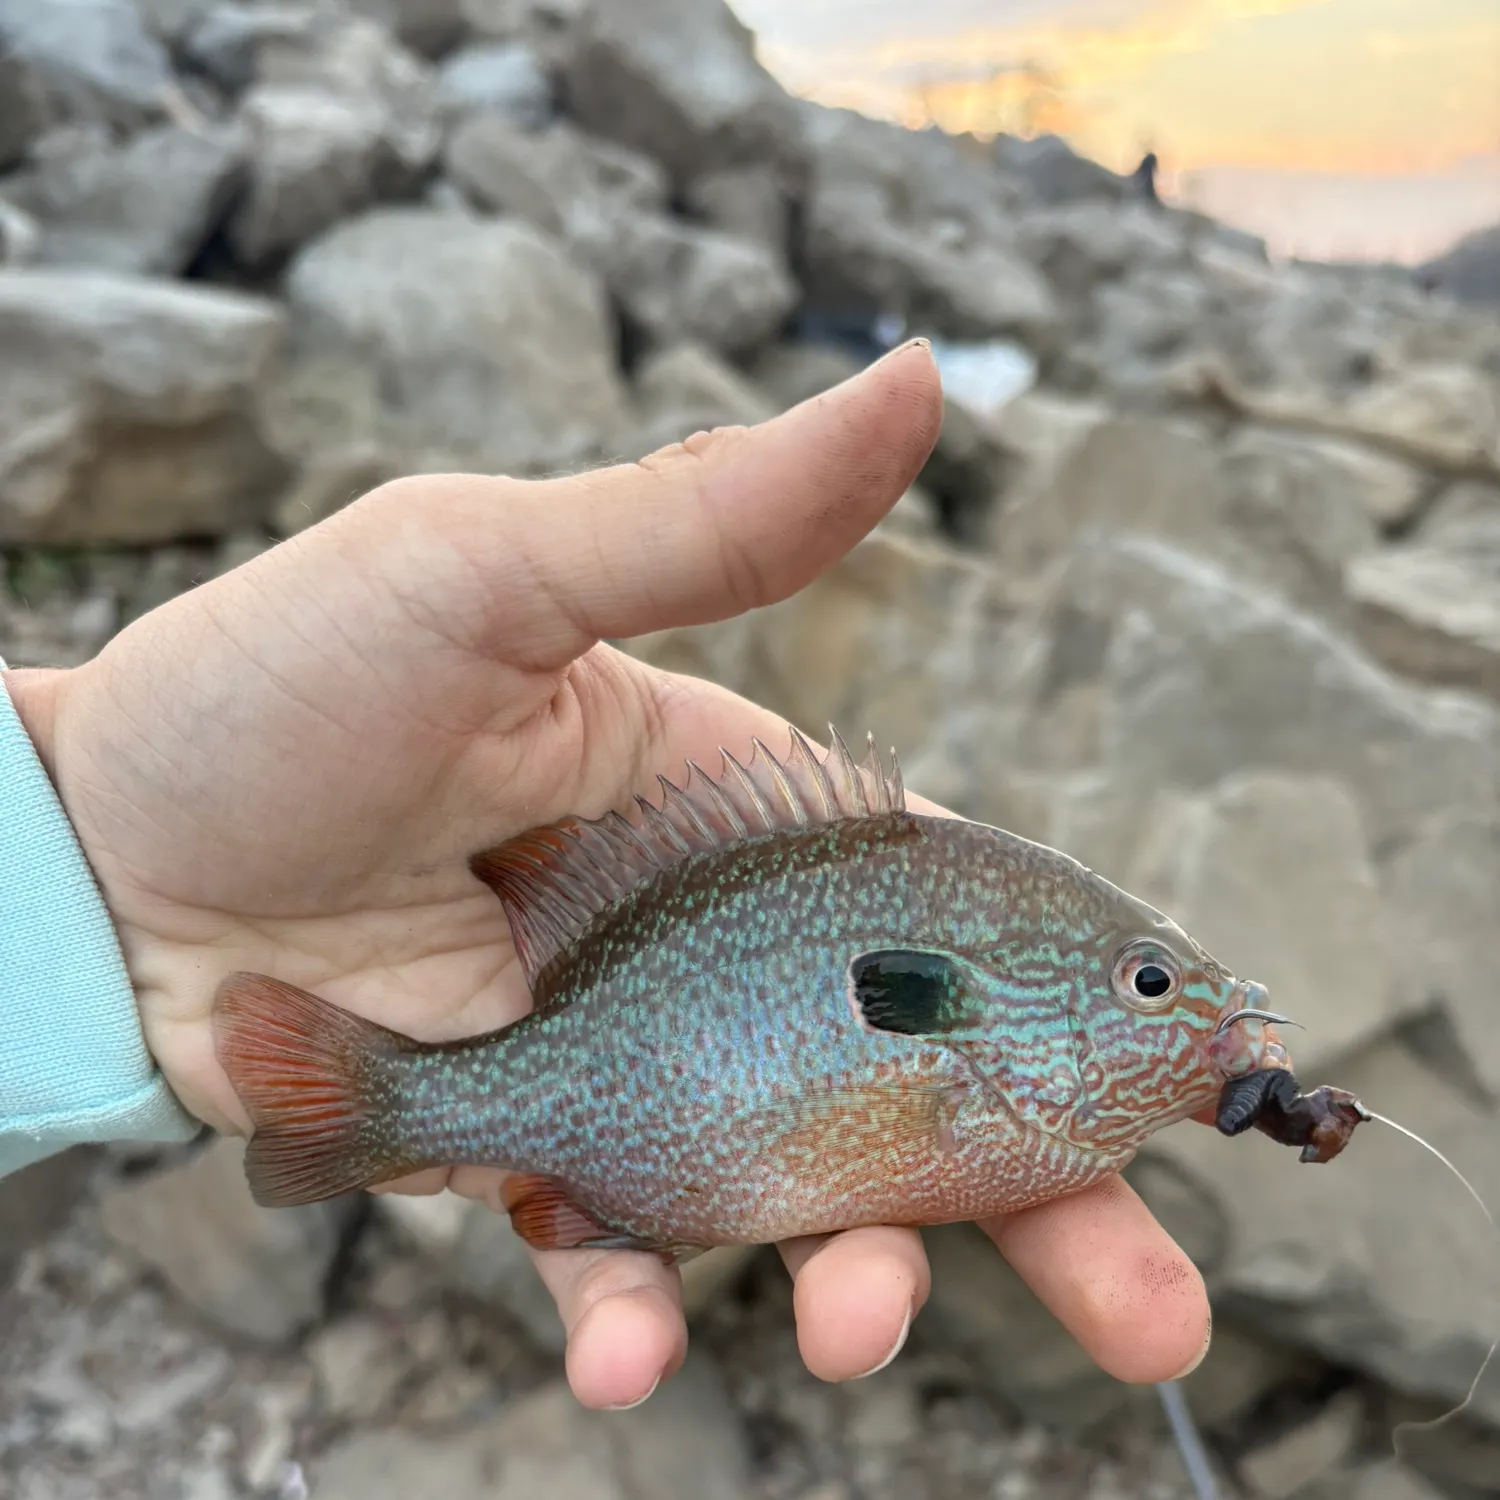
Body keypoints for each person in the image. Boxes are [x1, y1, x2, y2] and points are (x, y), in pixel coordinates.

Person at [0, 342, 1210, 1410]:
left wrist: (68, 839)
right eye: (1150, 984)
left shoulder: (1009, 1068)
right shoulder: (992, 1055)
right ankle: (388, 1099)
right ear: (1014, 997)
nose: (1184, 1010)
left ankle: (384, 1099)